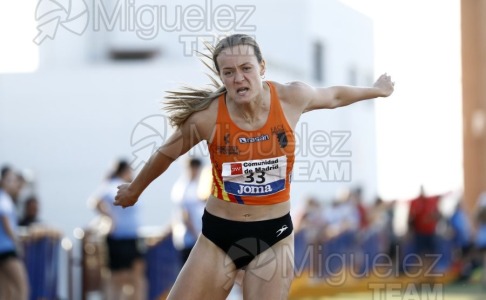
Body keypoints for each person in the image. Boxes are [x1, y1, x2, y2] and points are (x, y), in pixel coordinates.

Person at [114, 34, 394, 299]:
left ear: (262, 67)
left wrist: (376, 90)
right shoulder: (207, 118)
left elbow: (333, 96)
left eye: (246, 68)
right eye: (229, 72)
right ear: (222, 77)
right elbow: (165, 154)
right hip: (218, 237)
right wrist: (134, 190)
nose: (239, 78)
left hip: (272, 238)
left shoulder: (290, 98)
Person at [89, 159, 147, 300]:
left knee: (136, 277)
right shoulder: (111, 185)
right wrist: (110, 218)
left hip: (132, 236)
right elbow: (94, 201)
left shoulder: (129, 186)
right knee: (117, 278)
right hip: (118, 237)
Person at [171, 157, 207, 265]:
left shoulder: (199, 186)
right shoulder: (182, 188)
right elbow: (184, 215)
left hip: (200, 237)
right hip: (190, 239)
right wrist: (197, 235)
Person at [0, 166, 29, 300]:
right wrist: (17, 243)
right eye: (10, 180)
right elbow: (6, 223)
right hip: (6, 249)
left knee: (6, 291)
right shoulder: (4, 199)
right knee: (22, 287)